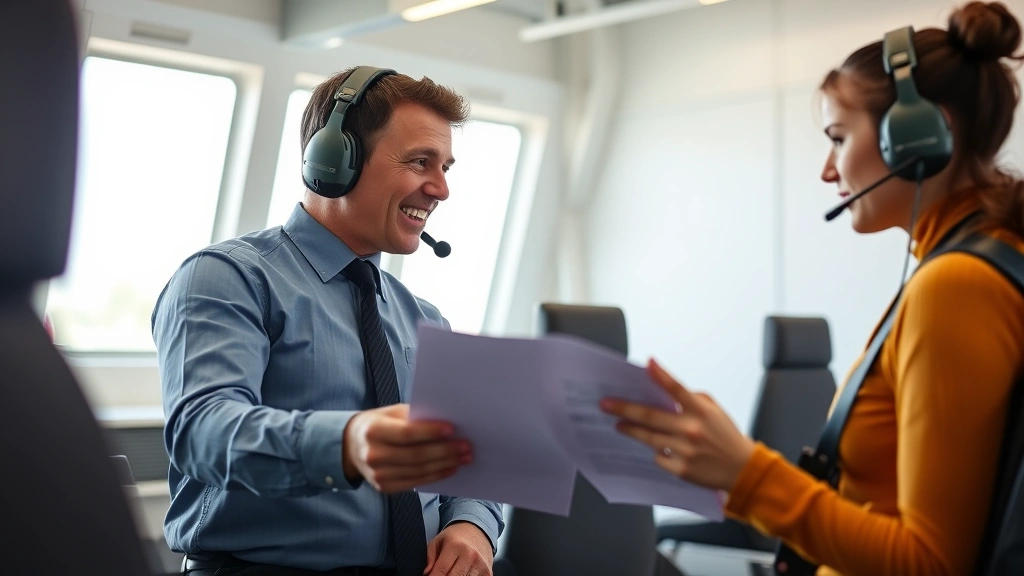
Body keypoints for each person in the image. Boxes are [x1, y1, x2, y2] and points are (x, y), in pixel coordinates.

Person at [600, 2, 1024, 575]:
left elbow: (929, 562)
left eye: (839, 137)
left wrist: (746, 473)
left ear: (919, 139)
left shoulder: (957, 285)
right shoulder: (979, 261)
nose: (829, 170)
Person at [152, 66, 503, 576]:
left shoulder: (426, 320)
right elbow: (203, 434)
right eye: (420, 162)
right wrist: (349, 443)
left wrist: (473, 524)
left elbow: (467, 456)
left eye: (447, 167)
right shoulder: (229, 277)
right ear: (335, 159)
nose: (441, 189)